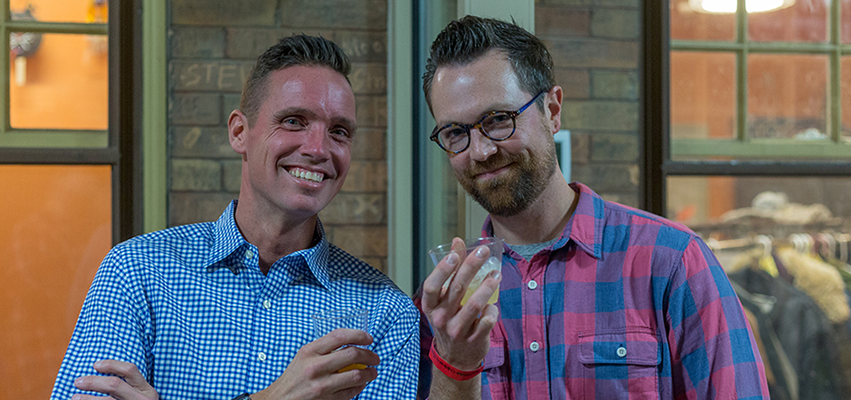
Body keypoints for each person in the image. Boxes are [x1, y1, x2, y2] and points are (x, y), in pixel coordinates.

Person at [416, 16, 770, 399]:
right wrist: (455, 366)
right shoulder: (445, 304)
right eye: (456, 133)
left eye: (499, 120)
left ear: (552, 110)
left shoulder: (671, 261)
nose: (481, 150)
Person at [51, 34, 419, 400]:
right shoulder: (136, 272)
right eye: (293, 121)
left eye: (339, 131)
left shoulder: (385, 315)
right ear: (240, 132)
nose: (318, 148)